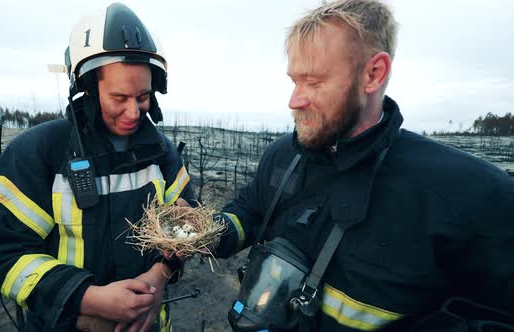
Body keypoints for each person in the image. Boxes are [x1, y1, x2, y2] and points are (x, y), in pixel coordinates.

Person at [212, 0, 514, 331]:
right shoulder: (282, 155)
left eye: (313, 82)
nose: (294, 100)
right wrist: (205, 233)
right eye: (294, 81)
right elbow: (250, 210)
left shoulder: (464, 191)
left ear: (373, 74)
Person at [0, 3, 195, 331]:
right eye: (119, 98)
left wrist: (158, 278)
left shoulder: (161, 153)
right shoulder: (38, 153)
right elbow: (1, 252)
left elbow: (187, 228)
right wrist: (86, 298)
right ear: (86, 88)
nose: (134, 112)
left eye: (143, 97)